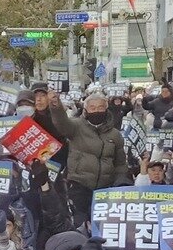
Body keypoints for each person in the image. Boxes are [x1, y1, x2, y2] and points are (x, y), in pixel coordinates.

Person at [36, 91, 130, 227]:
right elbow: (61, 123)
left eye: (100, 107)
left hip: (105, 188)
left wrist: (121, 184)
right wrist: (55, 105)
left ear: (106, 109)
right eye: (92, 108)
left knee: (102, 225)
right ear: (85, 110)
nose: (96, 111)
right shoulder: (76, 127)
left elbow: (120, 163)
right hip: (79, 185)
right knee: (81, 224)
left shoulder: (115, 135)